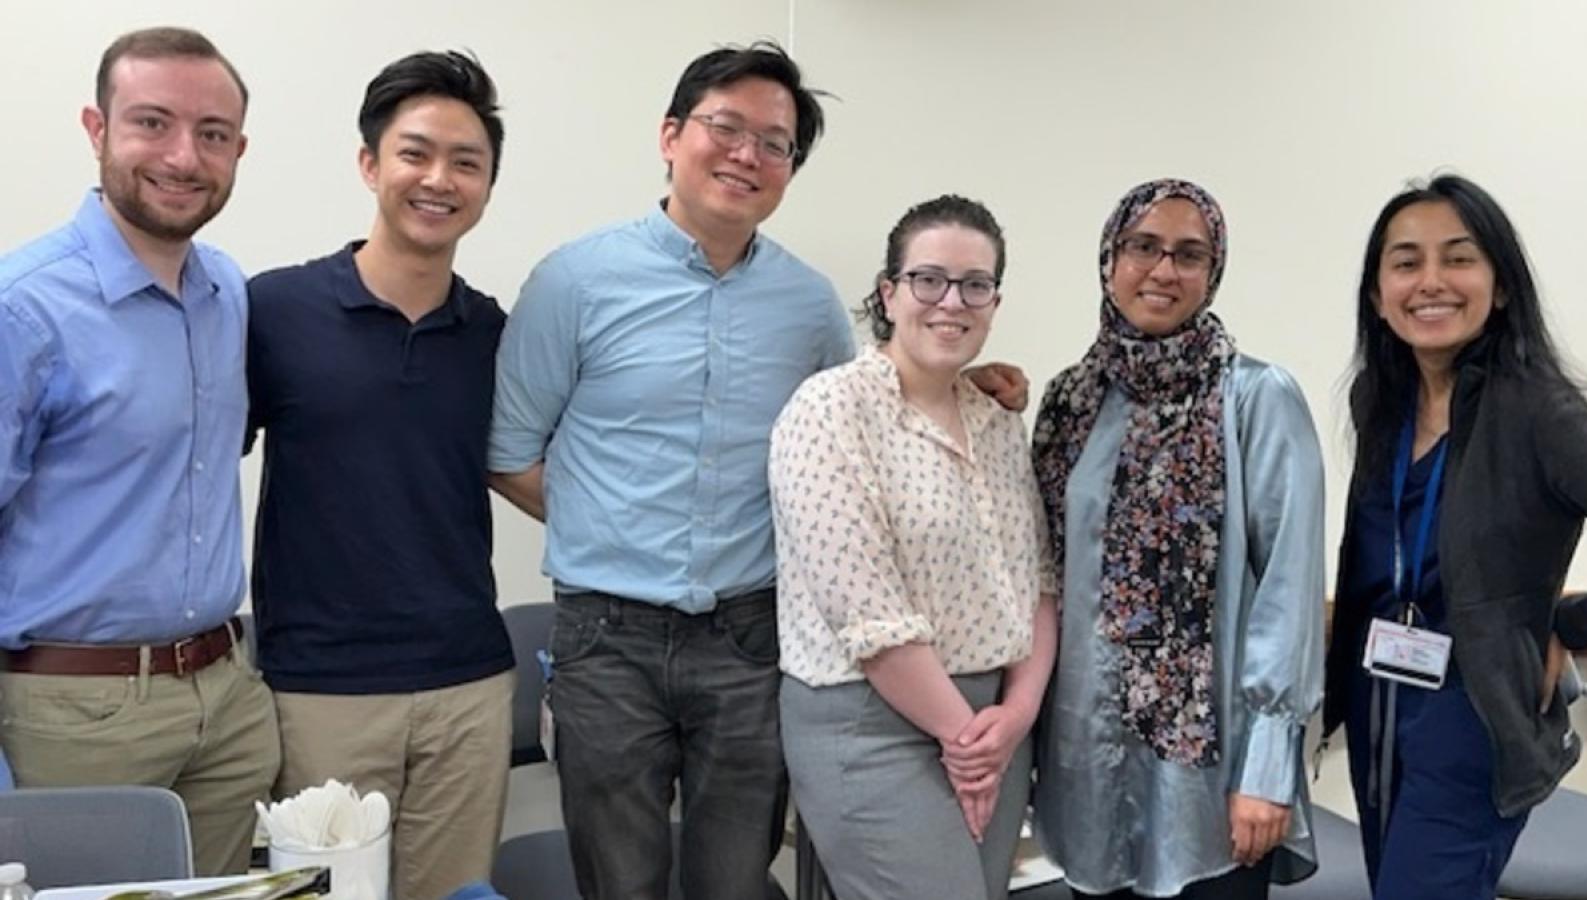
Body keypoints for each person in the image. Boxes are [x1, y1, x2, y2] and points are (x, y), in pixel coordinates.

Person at [489, 42, 1025, 900]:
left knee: (737, 884)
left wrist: (974, 382)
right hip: (605, 641)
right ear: (671, 135)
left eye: (774, 144)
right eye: (725, 128)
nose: (747, 155)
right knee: (618, 881)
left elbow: (876, 406)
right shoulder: (573, 281)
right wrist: (612, 529)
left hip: (750, 639)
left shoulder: (809, 303)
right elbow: (510, 451)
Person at [0, 27, 276, 875]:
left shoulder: (227, 290)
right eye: (152, 123)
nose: (184, 157)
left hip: (226, 697)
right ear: (97, 128)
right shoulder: (24, 308)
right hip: (73, 709)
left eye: (213, 135)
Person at [246, 51, 514, 899]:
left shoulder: (495, 333)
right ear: (370, 164)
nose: (439, 179)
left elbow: (543, 473)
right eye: (415, 153)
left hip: (468, 682)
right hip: (319, 687)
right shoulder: (274, 311)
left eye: (466, 162)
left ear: (488, 183)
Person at [1031, 179, 1324, 899]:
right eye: (1143, 247)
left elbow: (1287, 588)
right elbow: (1042, 569)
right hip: (1087, 768)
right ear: (1108, 260)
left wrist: (1266, 770)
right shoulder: (1071, 400)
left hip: (1209, 781)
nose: (1163, 270)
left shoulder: (1256, 397)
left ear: (1212, 273)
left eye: (1189, 254)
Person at [769, 195, 1058, 900]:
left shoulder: (995, 422)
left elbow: (1039, 585)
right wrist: (967, 746)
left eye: (975, 285)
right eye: (928, 279)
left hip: (994, 725)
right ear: (889, 293)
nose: (951, 302)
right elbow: (869, 616)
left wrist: (1012, 721)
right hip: (869, 725)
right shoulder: (830, 410)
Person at [1322, 173, 1587, 900]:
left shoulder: (1540, 409)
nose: (1431, 281)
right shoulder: (1380, 399)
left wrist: (1569, 621)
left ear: (1500, 285)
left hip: (1472, 713)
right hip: (1378, 695)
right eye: (1406, 262)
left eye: (1459, 257)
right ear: (1378, 293)